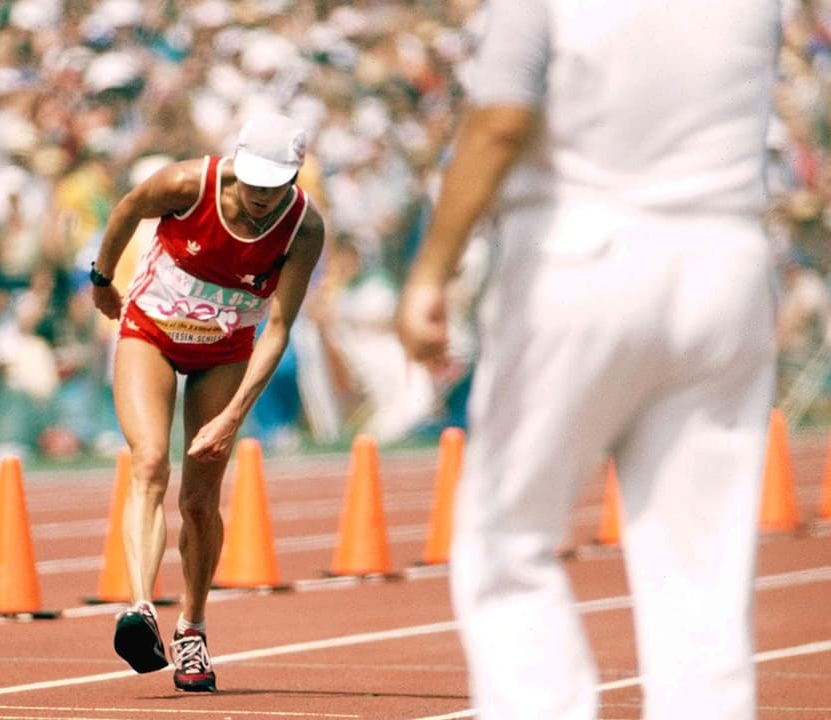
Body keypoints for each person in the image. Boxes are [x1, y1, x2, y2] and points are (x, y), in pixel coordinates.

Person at [396, 2, 780, 718]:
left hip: (582, 250)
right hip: (726, 259)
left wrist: (431, 270)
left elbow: (500, 122)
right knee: (702, 563)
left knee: (509, 536)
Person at [90, 111, 326, 692]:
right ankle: (141, 608)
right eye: (253, 183)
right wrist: (100, 277)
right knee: (149, 461)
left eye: (275, 187)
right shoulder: (186, 184)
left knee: (200, 499)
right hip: (149, 333)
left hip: (224, 356)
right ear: (236, 168)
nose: (261, 198)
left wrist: (232, 416)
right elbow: (126, 209)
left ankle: (192, 628)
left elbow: (278, 329)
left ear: (294, 180)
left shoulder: (304, 230)